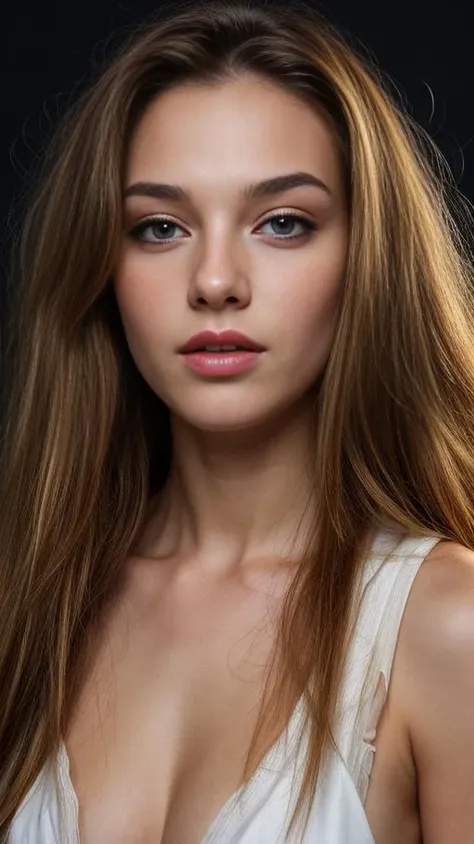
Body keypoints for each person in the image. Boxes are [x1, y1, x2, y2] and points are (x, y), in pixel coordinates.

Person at [2, 0, 474, 841]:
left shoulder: (448, 629)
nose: (215, 280)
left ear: (366, 258)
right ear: (100, 268)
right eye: (159, 227)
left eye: (283, 222)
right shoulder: (33, 603)